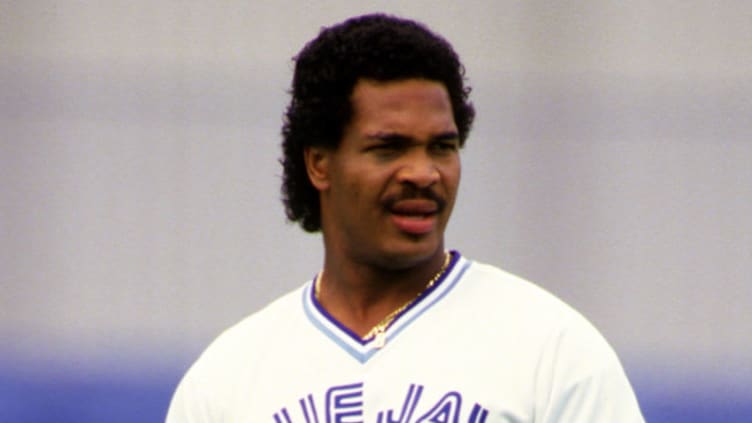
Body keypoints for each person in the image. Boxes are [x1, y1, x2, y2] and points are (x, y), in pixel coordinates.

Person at [166, 13, 644, 422]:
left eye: (442, 147)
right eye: (388, 148)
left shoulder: (552, 350)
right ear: (319, 163)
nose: (423, 173)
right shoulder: (227, 381)